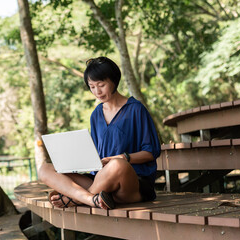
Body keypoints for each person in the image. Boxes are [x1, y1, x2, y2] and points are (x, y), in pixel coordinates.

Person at [38, 56, 161, 209]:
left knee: (117, 165)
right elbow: (96, 155)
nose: (97, 91)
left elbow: (151, 152)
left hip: (131, 184)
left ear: (114, 81)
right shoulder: (96, 114)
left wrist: (123, 157)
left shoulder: (136, 109)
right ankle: (91, 200)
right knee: (45, 169)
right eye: (92, 87)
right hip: (101, 182)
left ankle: (74, 199)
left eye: (101, 85)